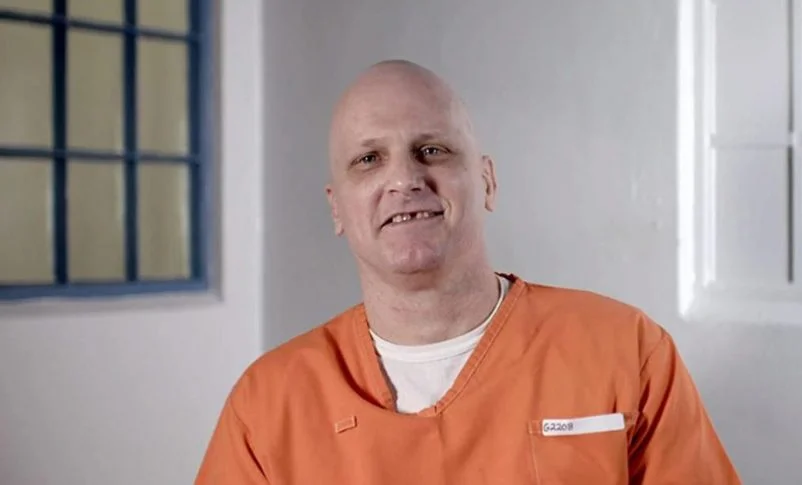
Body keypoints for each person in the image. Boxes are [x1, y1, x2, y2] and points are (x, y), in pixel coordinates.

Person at [195, 60, 741, 484]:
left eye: (432, 150)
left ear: (487, 183)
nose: (404, 179)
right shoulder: (268, 404)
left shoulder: (626, 350)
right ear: (336, 208)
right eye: (369, 160)